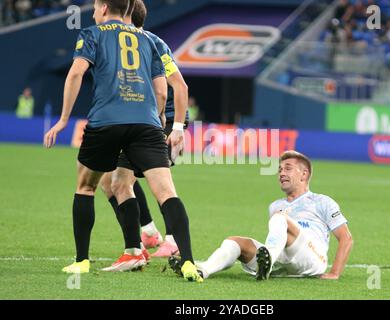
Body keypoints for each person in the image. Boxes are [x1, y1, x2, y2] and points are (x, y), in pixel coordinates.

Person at [44, 0, 202, 282]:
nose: (93, 12)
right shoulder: (153, 41)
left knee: (88, 186)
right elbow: (164, 91)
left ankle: (84, 261)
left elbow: (76, 73)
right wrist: (166, 123)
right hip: (148, 122)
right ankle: (186, 260)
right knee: (162, 192)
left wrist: (64, 119)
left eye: (94, 6)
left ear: (104, 8)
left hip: (108, 119)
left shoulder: (93, 33)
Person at [98, 0, 189, 266]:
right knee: (111, 182)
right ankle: (146, 235)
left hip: (163, 119)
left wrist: (175, 127)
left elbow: (177, 88)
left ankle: (173, 241)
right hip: (141, 120)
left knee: (158, 184)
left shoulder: (151, 43)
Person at [170, 151, 353, 280]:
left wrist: (335, 273)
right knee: (236, 242)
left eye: (287, 168)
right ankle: (202, 270)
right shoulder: (275, 205)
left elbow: (346, 238)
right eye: (280, 169)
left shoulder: (322, 201)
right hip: (282, 261)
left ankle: (268, 262)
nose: (281, 173)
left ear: (304, 174)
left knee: (280, 218)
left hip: (313, 258)